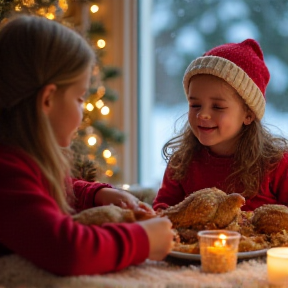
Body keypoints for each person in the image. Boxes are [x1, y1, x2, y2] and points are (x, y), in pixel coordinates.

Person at [0, 15, 173, 276]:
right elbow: (67, 250)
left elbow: (40, 189)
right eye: (80, 98)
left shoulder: (16, 161)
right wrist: (142, 240)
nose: (83, 110)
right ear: (47, 99)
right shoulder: (6, 172)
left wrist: (94, 194)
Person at [153, 38, 288, 212]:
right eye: (195, 105)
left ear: (248, 114)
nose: (202, 114)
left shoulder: (276, 165)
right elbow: (163, 210)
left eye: (217, 107)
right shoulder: (182, 163)